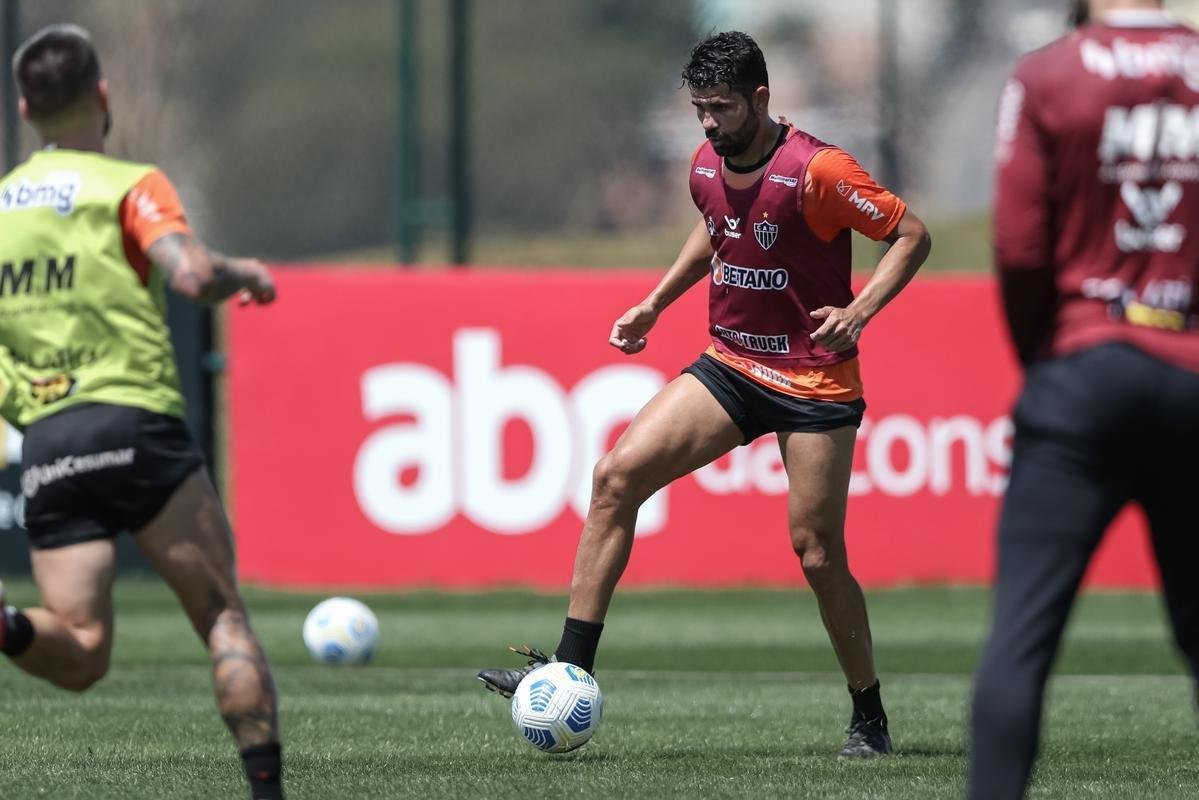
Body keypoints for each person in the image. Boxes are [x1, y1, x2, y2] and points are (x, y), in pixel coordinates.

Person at [478, 30, 931, 757]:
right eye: (698, 110)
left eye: (720, 107)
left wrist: (858, 312)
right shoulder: (704, 165)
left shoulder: (817, 169)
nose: (709, 124)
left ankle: (867, 715)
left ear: (760, 98)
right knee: (614, 478)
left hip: (812, 380)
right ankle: (567, 672)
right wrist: (655, 303)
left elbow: (910, 234)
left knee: (815, 552)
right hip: (731, 366)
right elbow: (716, 228)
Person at [0, 25, 285, 800]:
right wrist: (245, 274)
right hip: (138, 426)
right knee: (223, 616)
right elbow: (191, 273)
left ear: (27, 107)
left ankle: (6, 623)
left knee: (83, 652)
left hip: (51, 444)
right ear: (101, 95)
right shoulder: (128, 184)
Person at [970, 2, 1199, 797]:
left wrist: (1047, 357)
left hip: (1084, 370)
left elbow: (1019, 246)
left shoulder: (1045, 74)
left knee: (1021, 639)